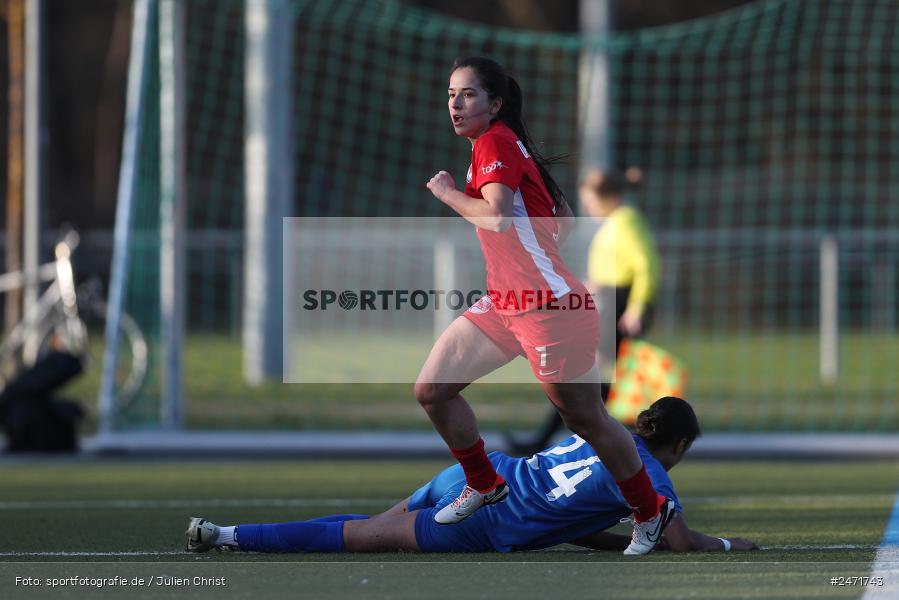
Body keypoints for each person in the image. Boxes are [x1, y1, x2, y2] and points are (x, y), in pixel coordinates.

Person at [414, 56, 669, 555]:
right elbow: (562, 218)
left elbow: (497, 219)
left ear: (495, 103)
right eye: (450, 94)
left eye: (467, 94)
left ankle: (650, 511)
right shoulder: (505, 146)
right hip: (508, 302)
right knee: (432, 390)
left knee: (587, 419)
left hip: (547, 308)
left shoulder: (495, 143)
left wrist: (446, 193)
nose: (456, 103)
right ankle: (485, 483)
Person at [186, 397, 758, 555]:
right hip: (485, 519)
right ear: (679, 444)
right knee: (358, 539)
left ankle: (232, 534)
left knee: (367, 527)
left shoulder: (600, 433)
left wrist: (607, 544)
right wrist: (729, 544)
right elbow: (678, 540)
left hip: (477, 476)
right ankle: (228, 535)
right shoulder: (650, 474)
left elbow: (567, 517)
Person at [507, 167, 662, 455]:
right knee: (595, 379)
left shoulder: (627, 221)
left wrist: (636, 309)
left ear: (605, 197)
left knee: (589, 379)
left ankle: (617, 440)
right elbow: (618, 267)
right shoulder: (617, 221)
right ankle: (611, 439)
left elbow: (646, 267)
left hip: (622, 307)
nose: (587, 206)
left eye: (589, 199)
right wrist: (595, 284)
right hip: (612, 302)